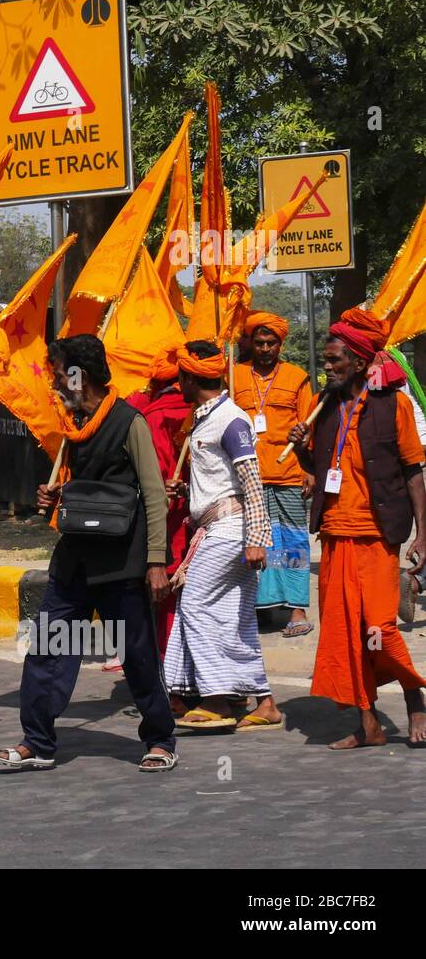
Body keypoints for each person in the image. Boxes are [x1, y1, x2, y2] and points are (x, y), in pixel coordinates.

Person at [0, 335, 177, 772]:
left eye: (58, 368)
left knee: (137, 655)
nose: (54, 377)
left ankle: (159, 739)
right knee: (48, 649)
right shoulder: (72, 426)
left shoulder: (129, 422)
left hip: (123, 563)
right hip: (74, 560)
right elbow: (82, 489)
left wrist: (155, 562)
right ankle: (37, 742)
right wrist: (54, 495)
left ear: (81, 374)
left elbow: (154, 495)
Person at [288, 308, 426, 748]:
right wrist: (299, 451)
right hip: (334, 532)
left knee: (380, 626)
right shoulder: (321, 407)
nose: (325, 367)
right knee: (346, 631)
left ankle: (414, 696)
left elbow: (413, 471)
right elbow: (319, 467)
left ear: (361, 363)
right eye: (325, 360)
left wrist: (424, 534)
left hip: (378, 534)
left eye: (334, 361)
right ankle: (366, 723)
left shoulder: (394, 404)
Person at [163, 341, 283, 732]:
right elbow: (222, 479)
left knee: (194, 603)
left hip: (232, 530)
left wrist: (257, 537)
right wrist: (188, 493)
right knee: (234, 617)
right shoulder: (205, 418)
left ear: (189, 377)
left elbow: (251, 480)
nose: (176, 383)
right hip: (220, 526)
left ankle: (219, 698)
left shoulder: (230, 420)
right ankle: (264, 702)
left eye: (179, 377)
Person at [232, 311, 317, 637]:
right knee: (255, 543)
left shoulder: (297, 377)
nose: (265, 348)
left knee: (292, 543)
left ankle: (296, 609)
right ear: (251, 343)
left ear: (281, 344)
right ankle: (262, 607)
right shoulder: (234, 375)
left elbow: (309, 427)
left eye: (271, 343)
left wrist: (308, 469)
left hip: (288, 473)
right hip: (248, 476)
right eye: (260, 342)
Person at [124, 354, 192, 662]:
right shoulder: (206, 410)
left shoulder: (150, 415)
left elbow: (155, 478)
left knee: (165, 599)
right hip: (201, 519)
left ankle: (169, 674)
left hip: (164, 520)